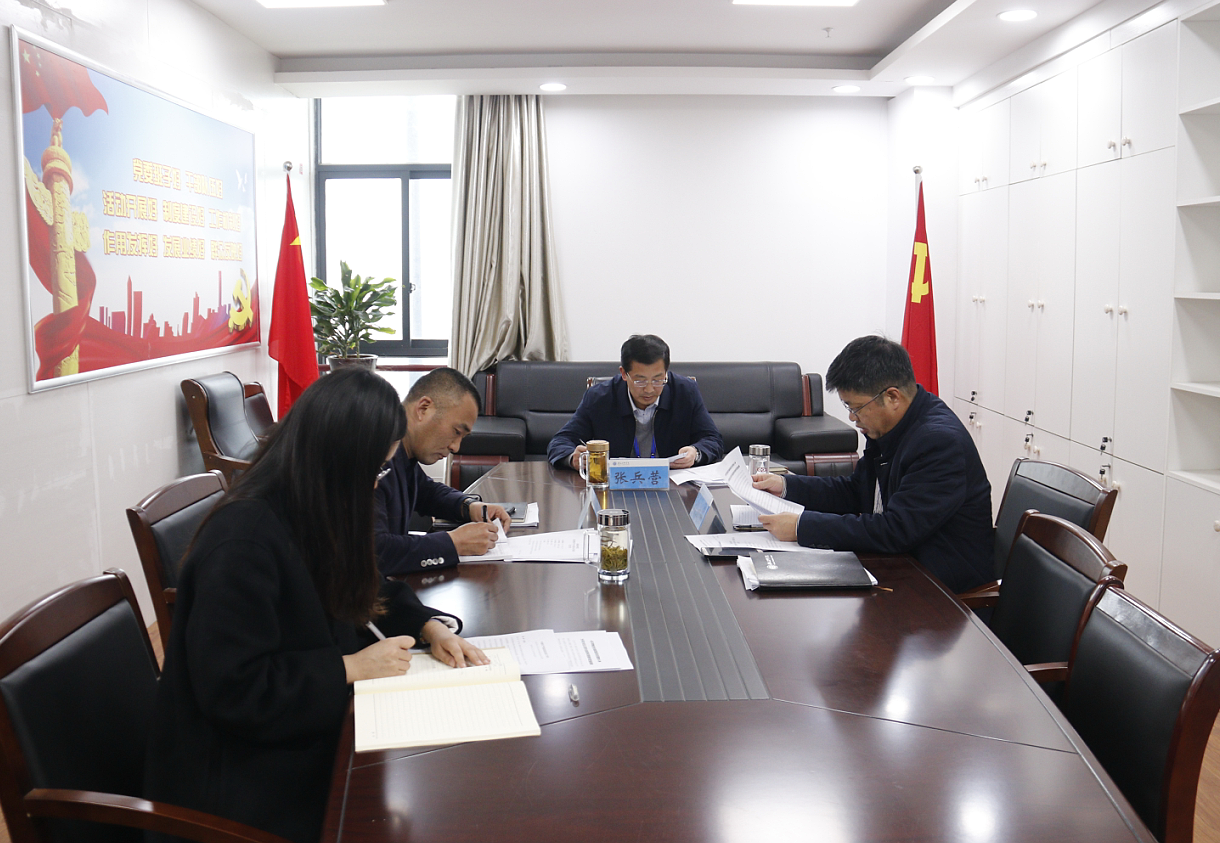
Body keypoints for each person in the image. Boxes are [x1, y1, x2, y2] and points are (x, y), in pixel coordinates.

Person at [145, 367, 488, 843]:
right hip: (239, 782)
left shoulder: (311, 505)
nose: (376, 485)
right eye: (374, 470)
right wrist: (349, 667)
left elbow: (363, 584)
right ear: (337, 457)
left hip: (301, 734)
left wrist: (428, 626)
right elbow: (235, 691)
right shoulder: (243, 540)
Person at [751, 335, 994, 593]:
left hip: (940, 592)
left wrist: (802, 527)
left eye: (856, 407)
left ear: (892, 397)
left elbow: (896, 530)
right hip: (898, 567)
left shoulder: (939, 443)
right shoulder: (890, 427)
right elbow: (857, 491)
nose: (851, 417)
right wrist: (787, 486)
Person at [375, 367, 509, 575]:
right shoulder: (375, 456)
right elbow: (376, 552)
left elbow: (427, 492)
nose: (455, 447)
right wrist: (453, 543)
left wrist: (469, 506)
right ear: (424, 409)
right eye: (456, 432)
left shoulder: (404, 453)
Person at [547, 334, 724, 470]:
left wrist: (696, 453)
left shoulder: (685, 392)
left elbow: (712, 439)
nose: (649, 389)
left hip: (671, 485)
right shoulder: (599, 397)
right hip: (617, 486)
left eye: (658, 379)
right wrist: (573, 458)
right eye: (640, 380)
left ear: (666, 372)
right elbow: (560, 441)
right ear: (624, 374)